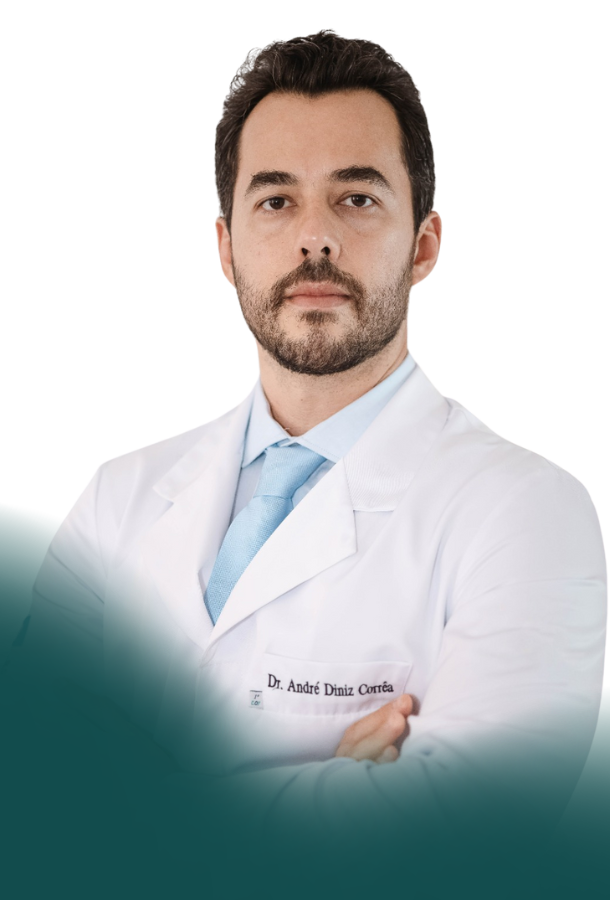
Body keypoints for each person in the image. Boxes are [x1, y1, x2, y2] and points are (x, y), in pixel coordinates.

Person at [5, 29, 607, 896]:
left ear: (425, 245)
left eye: (356, 198)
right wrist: (331, 787)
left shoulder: (529, 511)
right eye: (276, 200)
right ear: (225, 247)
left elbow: (471, 838)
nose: (314, 238)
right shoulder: (117, 496)